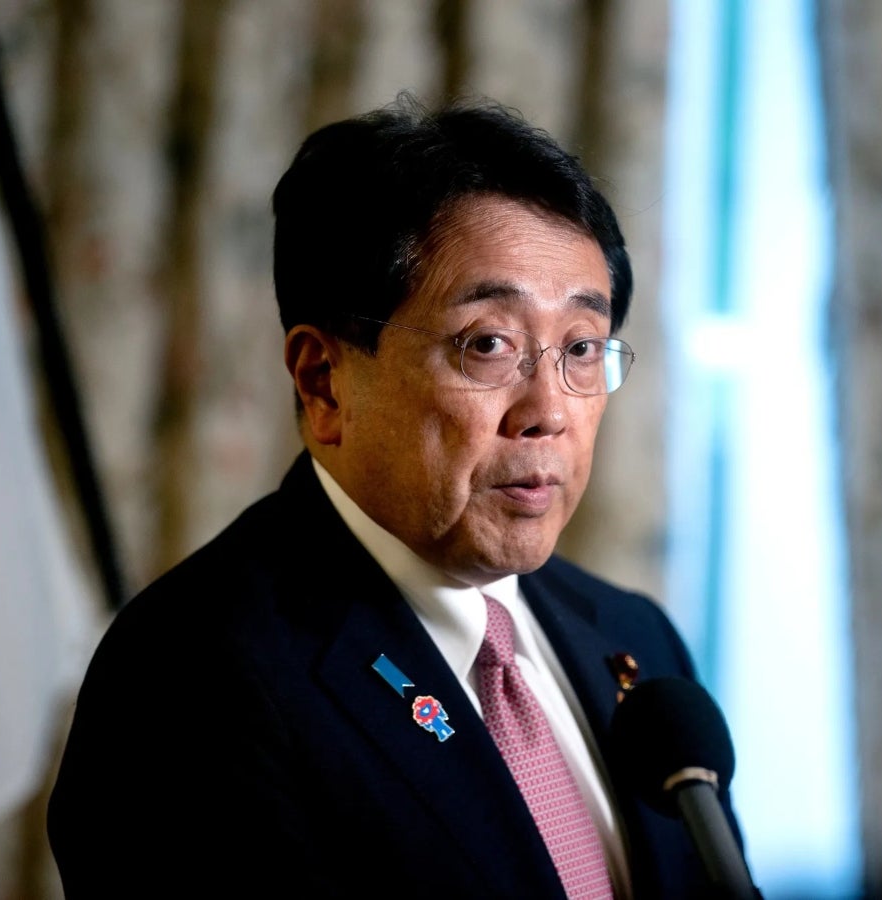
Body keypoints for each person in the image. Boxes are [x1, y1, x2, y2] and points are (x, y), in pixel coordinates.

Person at [47, 94, 756, 899]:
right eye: (489, 344)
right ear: (324, 381)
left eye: (583, 348)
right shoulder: (190, 675)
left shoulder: (634, 638)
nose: (550, 412)